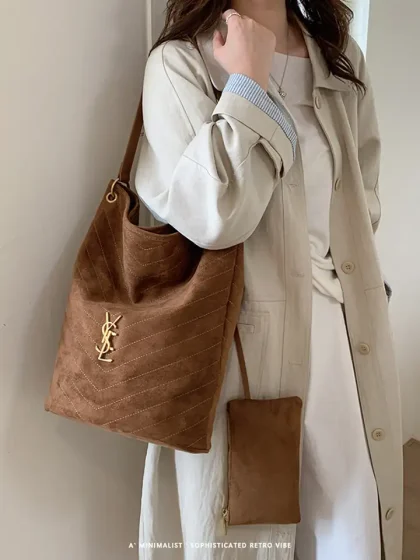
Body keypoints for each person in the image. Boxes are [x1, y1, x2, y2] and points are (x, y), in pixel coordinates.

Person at [134, 1, 403, 559]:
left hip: (343, 338)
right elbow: (214, 217)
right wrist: (248, 85)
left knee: (353, 532)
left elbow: (363, 198)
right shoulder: (180, 63)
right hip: (240, 351)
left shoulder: (339, 59)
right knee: (247, 540)